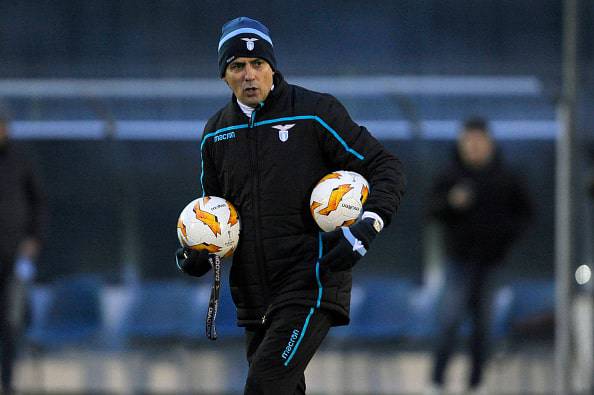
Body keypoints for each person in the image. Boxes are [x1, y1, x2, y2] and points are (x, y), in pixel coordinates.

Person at [176, 17, 405, 394]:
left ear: (272, 67)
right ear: (224, 75)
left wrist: (369, 225)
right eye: (237, 66)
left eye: (258, 64)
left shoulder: (315, 112)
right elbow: (215, 218)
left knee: (264, 385)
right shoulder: (215, 132)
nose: (249, 75)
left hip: (310, 282)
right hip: (253, 296)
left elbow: (386, 166)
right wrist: (199, 255)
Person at [427, 117, 533, 393]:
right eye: (468, 142)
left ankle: (476, 383)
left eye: (478, 142)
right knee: (449, 321)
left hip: (492, 264)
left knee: (483, 327)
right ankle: (437, 382)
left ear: (489, 143)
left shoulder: (507, 177)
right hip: (458, 262)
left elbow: (527, 215)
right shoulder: (450, 176)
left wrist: (504, 237)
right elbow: (431, 210)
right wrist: (451, 203)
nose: (473, 148)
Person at [0, 117, 46, 395]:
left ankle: (7, 380)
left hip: (12, 255)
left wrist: (34, 239)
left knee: (10, 319)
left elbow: (39, 202)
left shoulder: (20, 159)